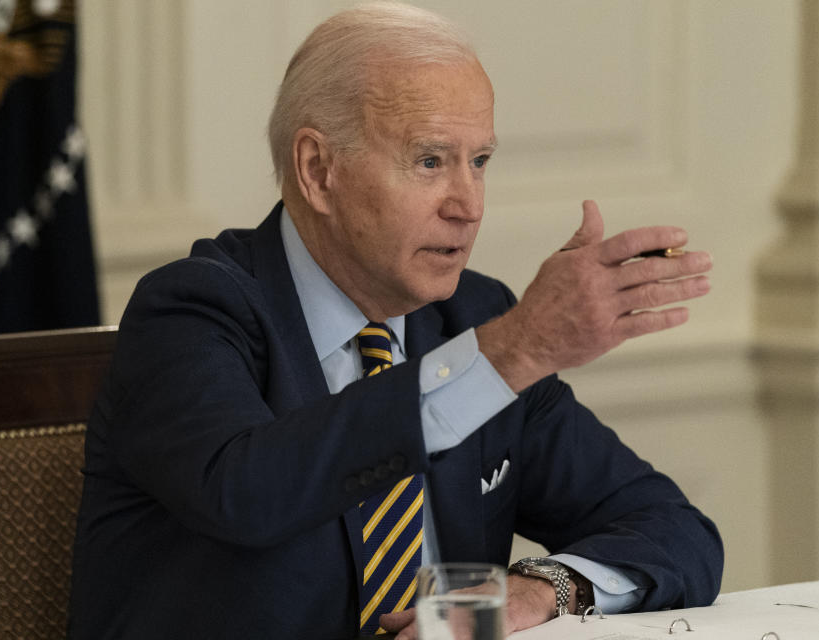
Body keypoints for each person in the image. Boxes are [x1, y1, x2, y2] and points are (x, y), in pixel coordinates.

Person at [68, 3, 722, 639]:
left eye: (481, 161)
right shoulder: (190, 312)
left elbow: (673, 529)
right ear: (318, 171)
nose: (468, 205)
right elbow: (246, 495)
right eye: (431, 161)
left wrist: (539, 589)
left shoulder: (474, 314)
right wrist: (509, 353)